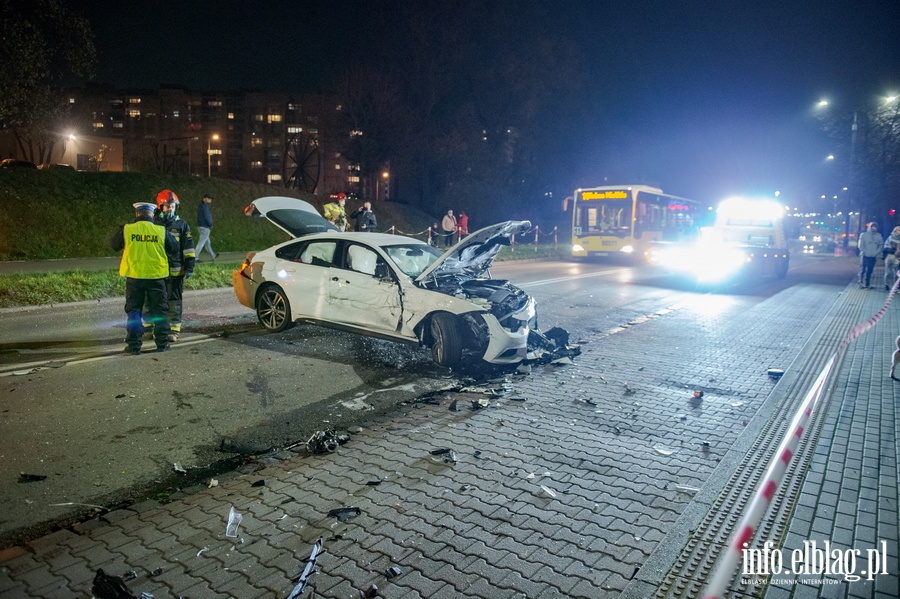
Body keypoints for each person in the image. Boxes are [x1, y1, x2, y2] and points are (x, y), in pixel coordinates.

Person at [110, 202, 179, 355]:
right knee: (160, 311)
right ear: (152, 215)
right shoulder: (161, 231)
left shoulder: (127, 229)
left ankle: (134, 346)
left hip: (135, 277)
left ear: (137, 214)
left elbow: (114, 245)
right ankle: (162, 344)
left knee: (134, 312)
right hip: (157, 277)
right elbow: (174, 248)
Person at [154, 190, 196, 341]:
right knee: (158, 300)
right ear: (160, 206)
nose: (170, 208)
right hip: (157, 271)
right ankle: (159, 328)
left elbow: (189, 248)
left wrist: (190, 266)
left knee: (174, 301)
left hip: (176, 272)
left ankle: (174, 329)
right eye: (167, 206)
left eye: (172, 206)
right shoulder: (154, 223)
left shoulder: (182, 225)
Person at [857, 222, 883, 289]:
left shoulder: (879, 236)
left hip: (873, 256)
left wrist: (876, 252)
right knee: (863, 269)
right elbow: (861, 245)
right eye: (872, 226)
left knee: (870, 270)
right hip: (864, 255)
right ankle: (860, 282)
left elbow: (881, 245)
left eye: (875, 227)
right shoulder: (864, 235)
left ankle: (867, 283)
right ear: (870, 227)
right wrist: (864, 251)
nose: (874, 228)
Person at [194, 194, 217, 260]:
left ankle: (213, 255)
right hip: (205, 226)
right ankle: (195, 257)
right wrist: (210, 224)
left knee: (207, 243)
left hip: (200, 225)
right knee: (201, 243)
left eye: (210, 199)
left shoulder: (201, 206)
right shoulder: (206, 206)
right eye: (208, 198)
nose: (210, 200)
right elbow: (207, 217)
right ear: (204, 199)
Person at [884, 226, 900, 290]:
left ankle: (895, 286)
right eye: (899, 230)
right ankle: (886, 284)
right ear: (895, 231)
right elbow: (886, 246)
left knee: (896, 273)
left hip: (897, 257)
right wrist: (891, 250)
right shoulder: (890, 238)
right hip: (890, 256)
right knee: (888, 272)